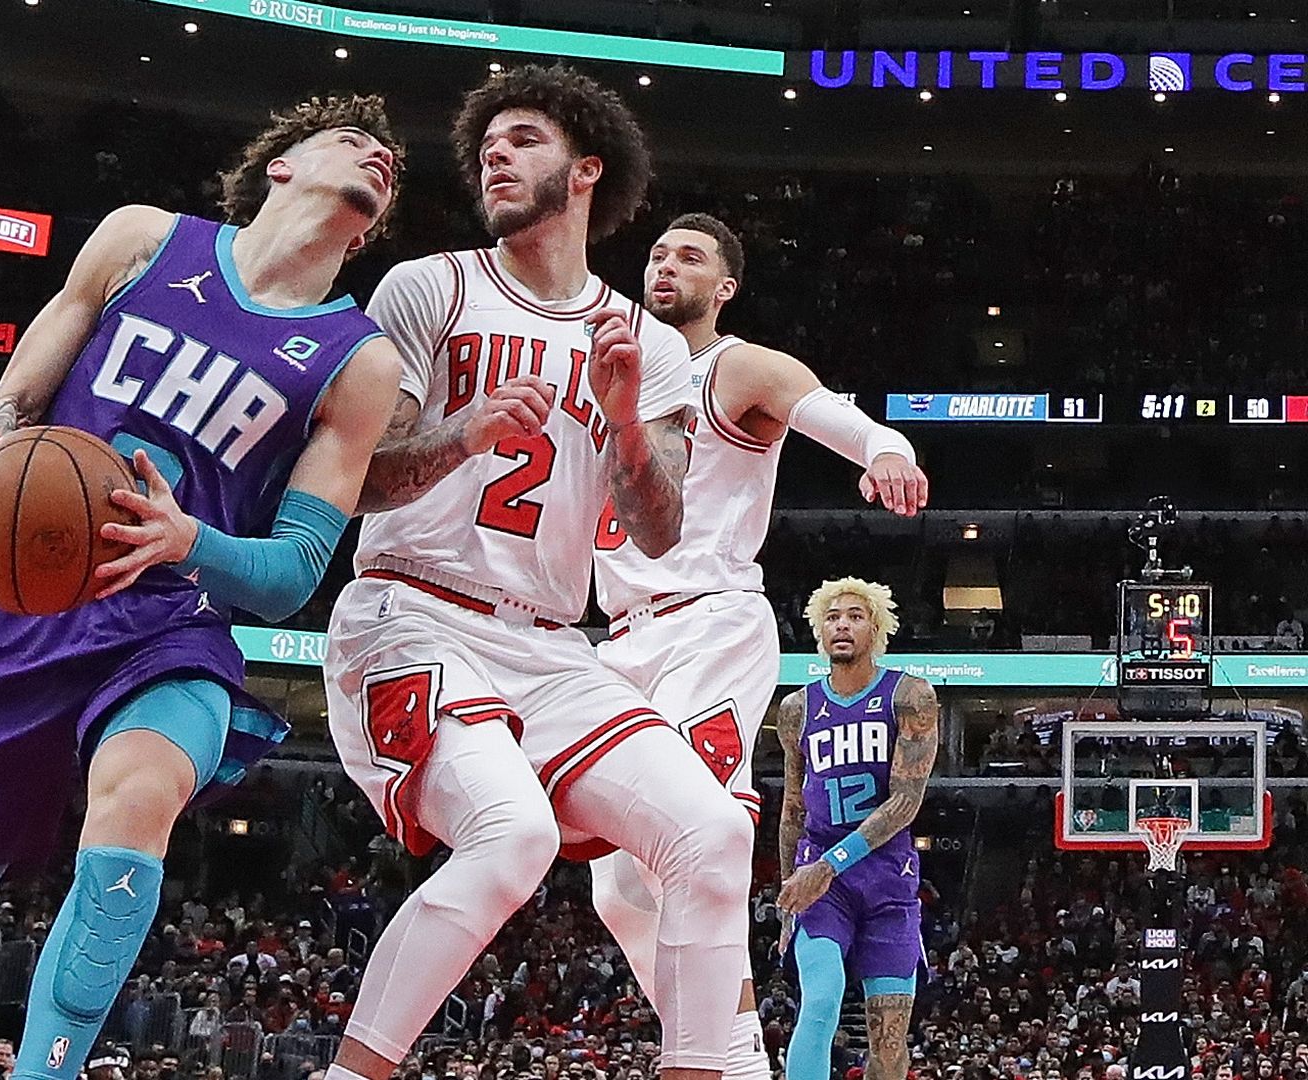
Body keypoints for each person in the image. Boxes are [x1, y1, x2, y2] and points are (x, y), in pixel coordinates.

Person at [0, 96, 406, 1080]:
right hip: (12, 617)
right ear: (279, 167)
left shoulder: (361, 361)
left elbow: (292, 574)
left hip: (167, 626)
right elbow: (9, 405)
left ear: (373, 228)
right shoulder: (144, 240)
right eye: (349, 139)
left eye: (389, 160)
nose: (377, 153)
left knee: (140, 794)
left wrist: (190, 542)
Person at [323, 64, 749, 1080]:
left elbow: (656, 531)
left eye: (522, 140)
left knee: (713, 836)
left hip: (551, 643)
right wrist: (460, 434)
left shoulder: (645, 344)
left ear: (587, 169)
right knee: (510, 838)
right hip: (411, 610)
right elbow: (358, 484)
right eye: (487, 147)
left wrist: (625, 429)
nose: (495, 157)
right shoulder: (428, 286)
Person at [586, 213, 929, 1080]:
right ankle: (728, 1050)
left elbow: (832, 414)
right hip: (616, 639)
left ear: (724, 287)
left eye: (691, 257)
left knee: (693, 834)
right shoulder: (612, 378)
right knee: (618, 885)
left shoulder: (736, 367)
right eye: (658, 254)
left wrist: (887, 449)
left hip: (709, 622)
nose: (668, 266)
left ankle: (725, 1064)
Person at [773, 579, 940, 1080]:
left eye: (855, 615)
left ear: (877, 627)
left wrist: (829, 865)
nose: (842, 624)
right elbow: (793, 807)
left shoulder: (910, 696)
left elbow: (906, 801)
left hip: (887, 878)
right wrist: (789, 897)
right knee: (820, 1000)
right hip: (820, 877)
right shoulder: (796, 710)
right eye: (832, 617)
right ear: (819, 631)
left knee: (888, 1045)